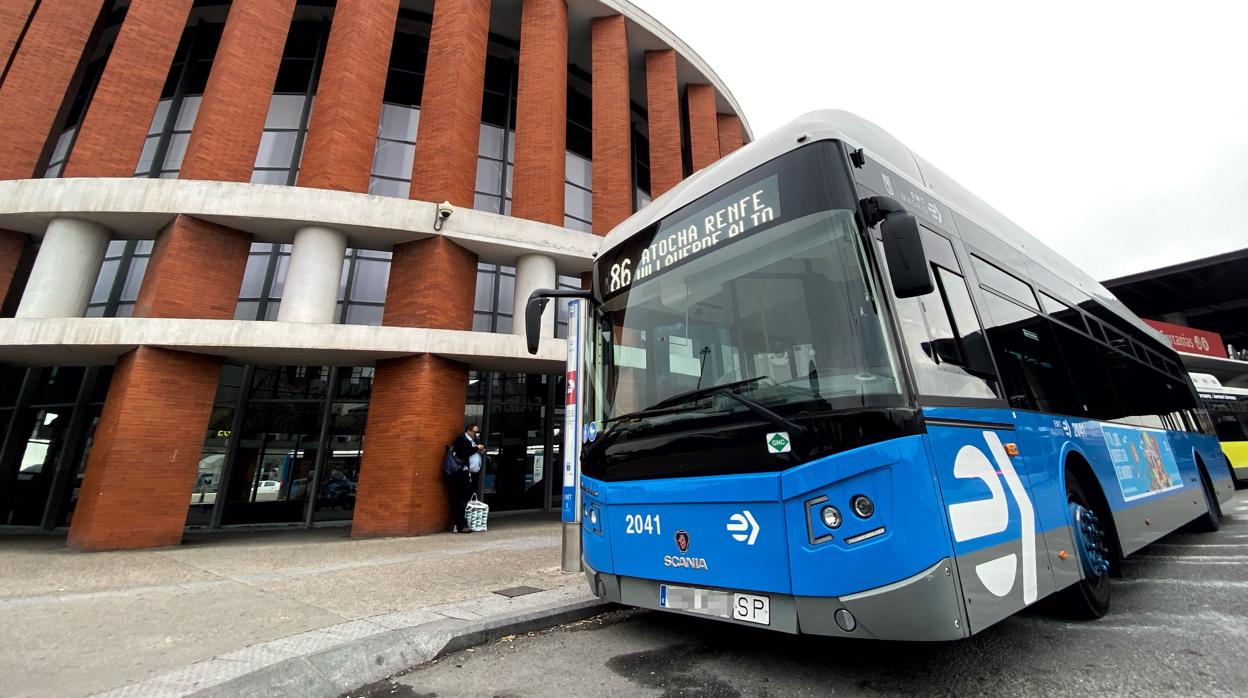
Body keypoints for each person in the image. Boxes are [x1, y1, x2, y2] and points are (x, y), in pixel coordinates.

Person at [450, 423, 485, 533]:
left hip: (469, 474)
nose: (475, 434)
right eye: (474, 432)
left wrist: (479, 451)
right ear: (468, 431)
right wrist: (476, 448)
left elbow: (471, 451)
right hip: (462, 473)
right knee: (461, 499)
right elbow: (463, 452)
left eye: (477, 432)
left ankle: (464, 522)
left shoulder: (472, 441)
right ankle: (459, 524)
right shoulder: (462, 439)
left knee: (467, 498)